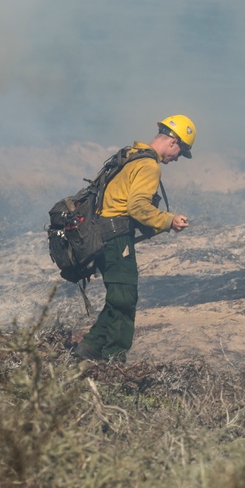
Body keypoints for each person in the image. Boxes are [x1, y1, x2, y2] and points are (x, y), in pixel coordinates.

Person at [74, 115, 196, 363]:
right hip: (116, 239)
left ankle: (90, 348)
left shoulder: (129, 155)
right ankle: (113, 361)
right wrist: (169, 220)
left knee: (119, 297)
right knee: (125, 299)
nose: (176, 158)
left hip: (101, 236)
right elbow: (138, 207)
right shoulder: (149, 166)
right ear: (173, 141)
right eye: (180, 151)